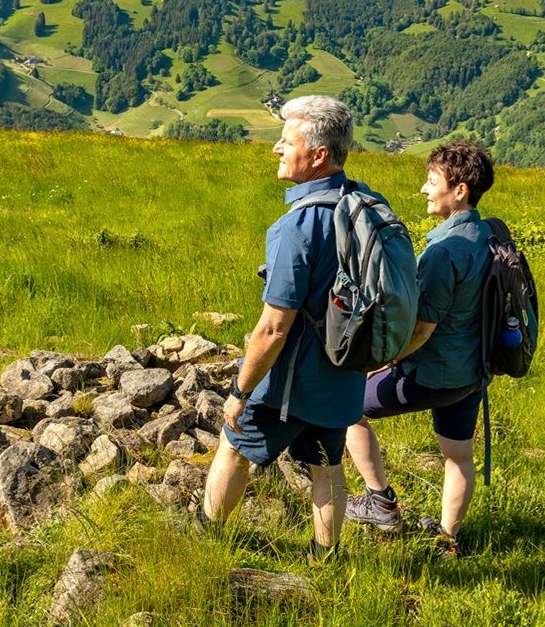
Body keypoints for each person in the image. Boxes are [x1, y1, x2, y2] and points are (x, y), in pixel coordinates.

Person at [202, 95, 391, 559]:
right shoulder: (366, 204)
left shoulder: (298, 226)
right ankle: (325, 558)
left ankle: (205, 540)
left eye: (286, 141)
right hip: (343, 369)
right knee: (327, 465)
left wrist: (240, 390)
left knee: (234, 446)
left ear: (318, 154)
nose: (276, 149)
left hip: (290, 381)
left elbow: (273, 327)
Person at [343, 140, 496, 556]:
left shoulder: (444, 250)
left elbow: (423, 329)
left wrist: (378, 363)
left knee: (346, 405)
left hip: (435, 374)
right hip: (474, 372)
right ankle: (448, 541)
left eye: (432, 182)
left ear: (459, 190)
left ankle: (381, 502)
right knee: (458, 456)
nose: (424, 190)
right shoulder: (489, 232)